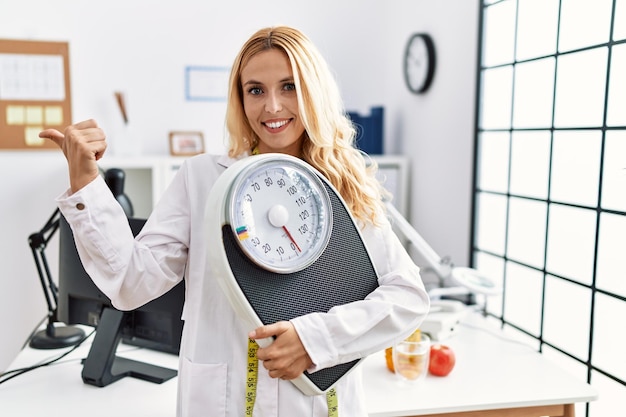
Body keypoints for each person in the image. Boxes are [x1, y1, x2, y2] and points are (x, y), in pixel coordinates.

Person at [41, 26, 430, 417]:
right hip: (223, 402)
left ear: (314, 92)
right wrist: (86, 182)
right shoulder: (202, 179)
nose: (272, 106)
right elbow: (131, 284)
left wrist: (316, 340)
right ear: (240, 99)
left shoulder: (344, 186)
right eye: (255, 90)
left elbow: (408, 298)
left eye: (289, 86)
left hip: (316, 403)